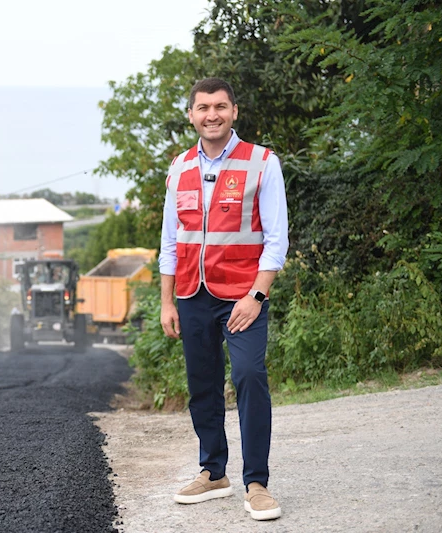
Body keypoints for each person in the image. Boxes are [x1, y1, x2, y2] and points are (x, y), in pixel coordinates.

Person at [159, 77, 288, 521]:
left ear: (234, 111)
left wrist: (257, 294)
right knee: (203, 386)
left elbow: (276, 239)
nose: (210, 114)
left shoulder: (262, 163)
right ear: (191, 115)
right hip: (192, 295)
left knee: (250, 376)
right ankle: (213, 472)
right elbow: (170, 243)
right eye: (202, 107)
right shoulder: (179, 168)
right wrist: (166, 301)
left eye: (219, 106)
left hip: (243, 296)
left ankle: (257, 483)